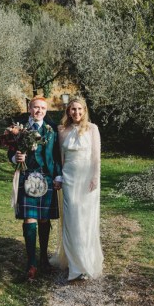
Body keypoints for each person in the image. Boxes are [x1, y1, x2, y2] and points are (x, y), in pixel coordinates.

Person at [50, 96, 103, 280]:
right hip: (69, 179)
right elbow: (60, 158)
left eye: (80, 109)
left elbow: (96, 158)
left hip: (87, 179)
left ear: (85, 110)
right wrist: (60, 177)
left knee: (86, 220)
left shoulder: (93, 129)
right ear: (68, 111)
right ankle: (74, 264)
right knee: (72, 219)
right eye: (73, 109)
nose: (76, 113)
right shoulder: (62, 130)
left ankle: (86, 262)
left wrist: (95, 178)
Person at [9, 96, 62, 280]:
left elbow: (56, 155)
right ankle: (31, 262)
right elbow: (10, 151)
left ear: (46, 111)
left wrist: (58, 175)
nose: (39, 111)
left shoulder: (52, 129)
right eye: (36, 107)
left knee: (44, 219)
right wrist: (16, 158)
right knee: (29, 218)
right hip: (27, 175)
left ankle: (44, 260)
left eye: (42, 108)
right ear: (29, 109)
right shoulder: (19, 128)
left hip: (46, 176)